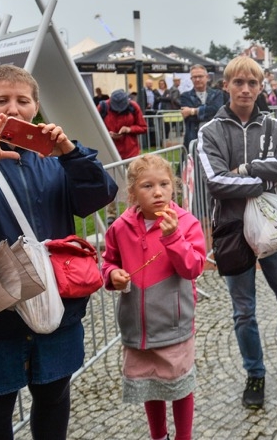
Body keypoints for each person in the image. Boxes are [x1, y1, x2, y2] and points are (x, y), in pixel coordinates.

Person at [0, 64, 117, 440]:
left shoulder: (53, 161)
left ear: (36, 107)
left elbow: (100, 195)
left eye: (23, 101)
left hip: (53, 303)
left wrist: (71, 153)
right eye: (0, 99)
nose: (13, 109)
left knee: (54, 397)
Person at [197, 56, 277, 410]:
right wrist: (265, 179)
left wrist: (249, 167)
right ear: (226, 86)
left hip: (273, 227)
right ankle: (255, 372)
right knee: (243, 311)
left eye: (252, 83)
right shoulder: (210, 131)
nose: (246, 89)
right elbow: (216, 182)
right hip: (232, 230)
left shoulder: (275, 126)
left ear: (261, 86)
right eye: (238, 82)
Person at [102, 154, 206, 440]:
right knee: (151, 385)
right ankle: (157, 435)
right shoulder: (120, 228)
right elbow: (108, 261)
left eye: (164, 184)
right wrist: (112, 275)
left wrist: (173, 238)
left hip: (174, 324)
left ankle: (183, 436)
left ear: (173, 188)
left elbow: (194, 268)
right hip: (138, 328)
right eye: (147, 186)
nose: (158, 192)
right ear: (132, 192)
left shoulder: (186, 223)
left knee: (180, 386)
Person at [179, 65, 224, 150]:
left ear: (207, 77)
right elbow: (189, 118)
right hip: (193, 137)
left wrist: (193, 111)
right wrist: (206, 111)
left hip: (214, 137)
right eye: (194, 77)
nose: (197, 79)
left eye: (200, 76)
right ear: (191, 79)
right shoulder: (185, 96)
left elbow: (216, 110)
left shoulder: (217, 94)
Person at [98, 89, 148, 160]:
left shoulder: (133, 107)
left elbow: (143, 127)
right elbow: (94, 128)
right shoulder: (102, 107)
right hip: (109, 151)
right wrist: (107, 134)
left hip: (130, 153)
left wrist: (129, 129)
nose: (118, 111)